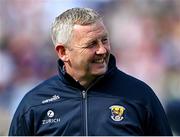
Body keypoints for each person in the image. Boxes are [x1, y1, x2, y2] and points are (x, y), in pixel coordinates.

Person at [9, 7, 172, 136]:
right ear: (63, 52)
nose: (102, 50)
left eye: (104, 40)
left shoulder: (140, 96)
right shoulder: (34, 104)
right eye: (91, 44)